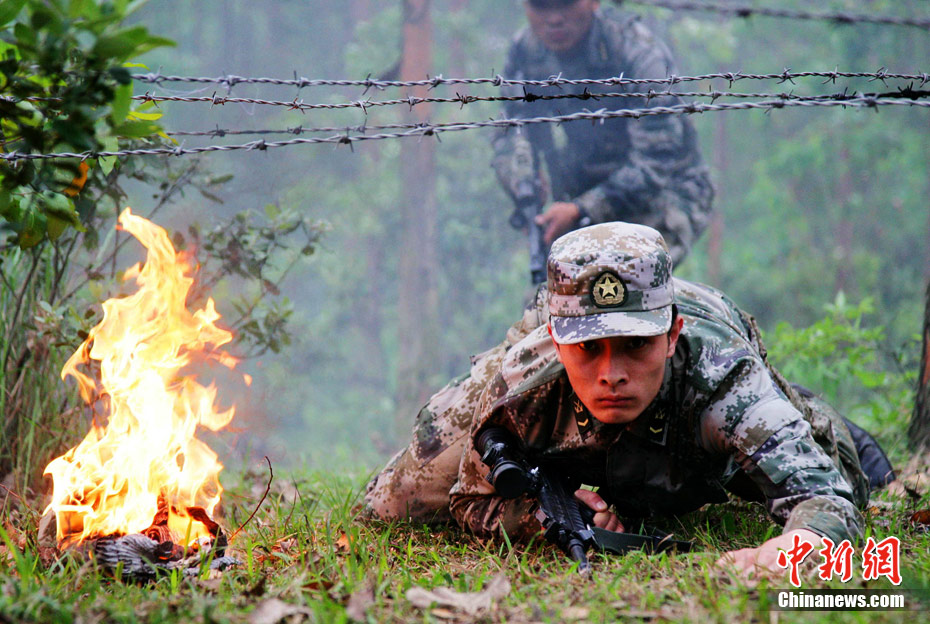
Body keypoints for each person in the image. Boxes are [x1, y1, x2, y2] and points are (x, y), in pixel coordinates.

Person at [363, 222, 894, 578]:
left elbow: (825, 499)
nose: (610, 373)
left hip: (701, 415)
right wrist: (547, 515)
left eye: (635, 345)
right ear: (556, 337)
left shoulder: (724, 378)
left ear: (670, 335)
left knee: (846, 471)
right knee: (389, 505)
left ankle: (802, 409)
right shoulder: (524, 379)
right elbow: (470, 498)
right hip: (553, 392)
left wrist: (784, 555)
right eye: (588, 349)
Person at [492, 0, 714, 266]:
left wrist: (582, 209)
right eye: (541, 7)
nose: (554, 19)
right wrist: (522, 182)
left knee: (622, 285)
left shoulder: (635, 50)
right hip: (582, 195)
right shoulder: (525, 51)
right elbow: (510, 130)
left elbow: (657, 162)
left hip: (664, 195)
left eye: (565, 5)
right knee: (550, 299)